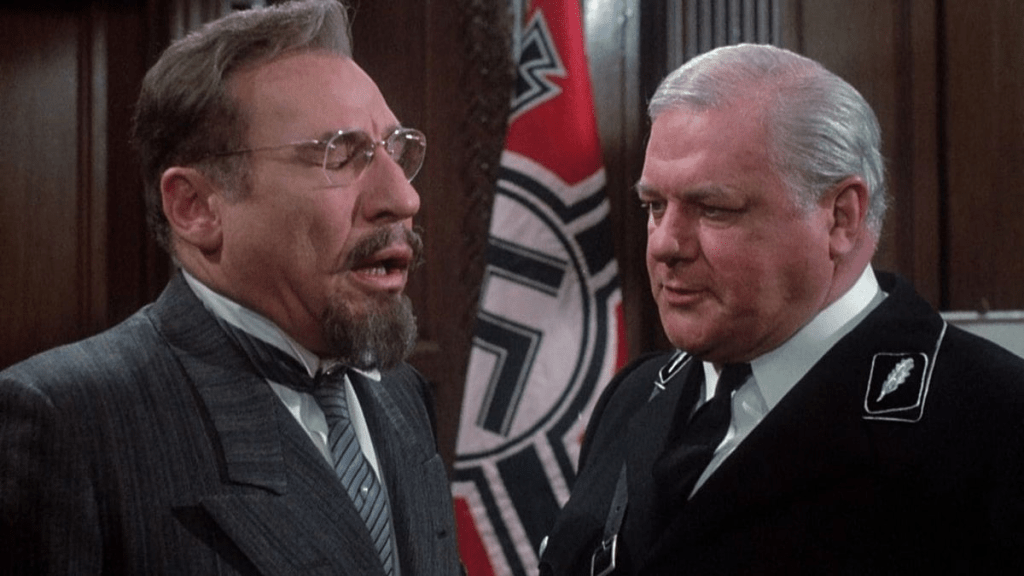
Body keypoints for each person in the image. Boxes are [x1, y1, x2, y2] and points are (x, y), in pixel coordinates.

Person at [0, 1, 463, 574]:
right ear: (195, 207)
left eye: (396, 150)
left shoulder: (401, 393)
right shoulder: (72, 423)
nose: (403, 198)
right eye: (343, 155)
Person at [539, 43, 1024, 575]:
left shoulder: (991, 420)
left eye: (713, 209)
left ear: (841, 218)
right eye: (655, 206)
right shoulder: (633, 397)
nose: (665, 244)